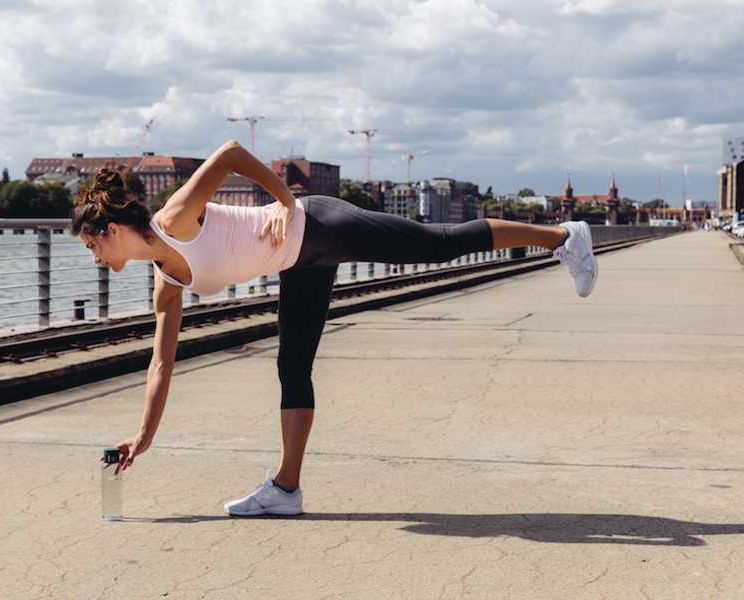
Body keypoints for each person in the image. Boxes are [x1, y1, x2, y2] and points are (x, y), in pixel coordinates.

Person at [74, 139, 598, 517]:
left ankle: (561, 235)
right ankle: (286, 488)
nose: (95, 257)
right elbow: (161, 364)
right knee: (292, 366)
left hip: (318, 223)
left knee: (436, 243)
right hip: (300, 264)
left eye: (94, 245)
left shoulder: (177, 216)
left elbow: (232, 152)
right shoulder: (165, 282)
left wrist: (283, 200)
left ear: (113, 230)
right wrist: (143, 437)